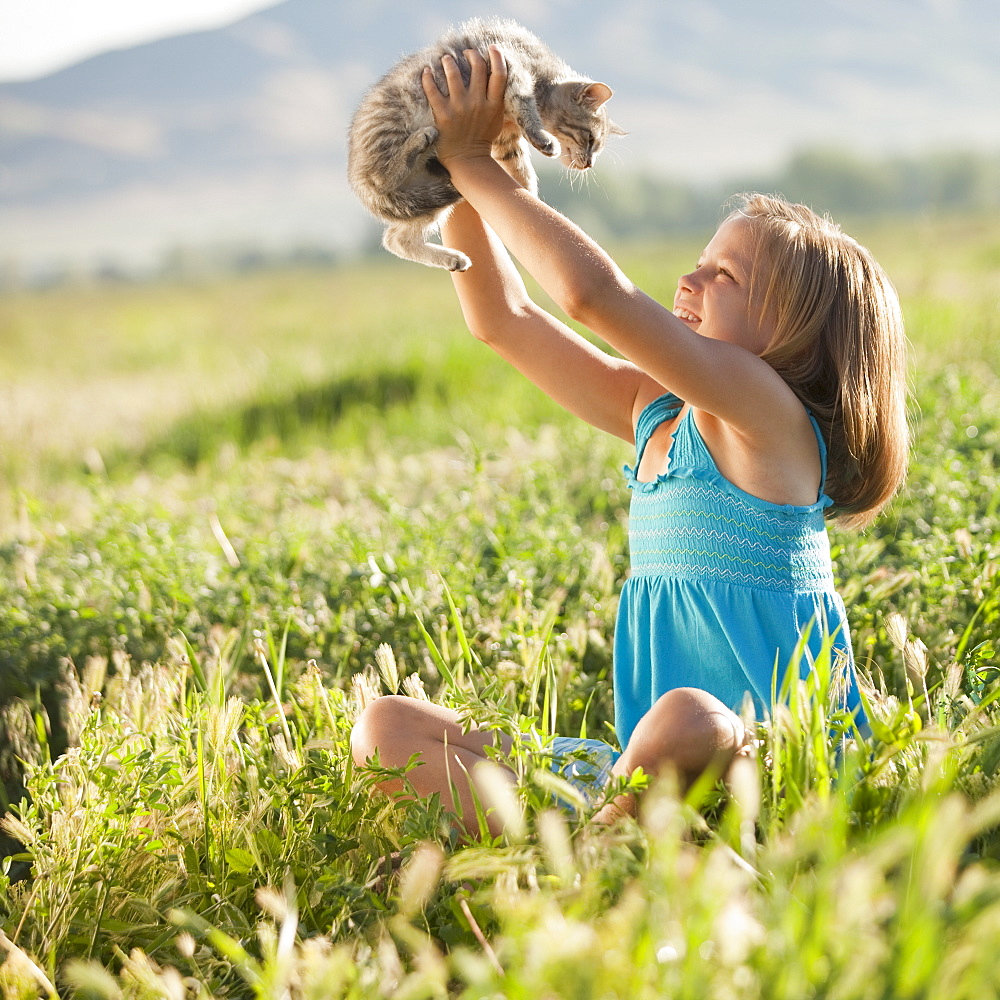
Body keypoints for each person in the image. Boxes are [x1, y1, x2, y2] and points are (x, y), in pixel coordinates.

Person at [350, 47, 909, 835]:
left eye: (727, 277)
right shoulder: (659, 413)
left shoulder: (772, 419)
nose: (690, 282)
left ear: (801, 338)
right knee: (387, 727)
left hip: (767, 761)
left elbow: (590, 295)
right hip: (642, 766)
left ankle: (590, 855)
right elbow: (501, 320)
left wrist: (479, 163)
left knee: (692, 718)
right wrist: (467, 159)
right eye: (699, 262)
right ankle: (598, 837)